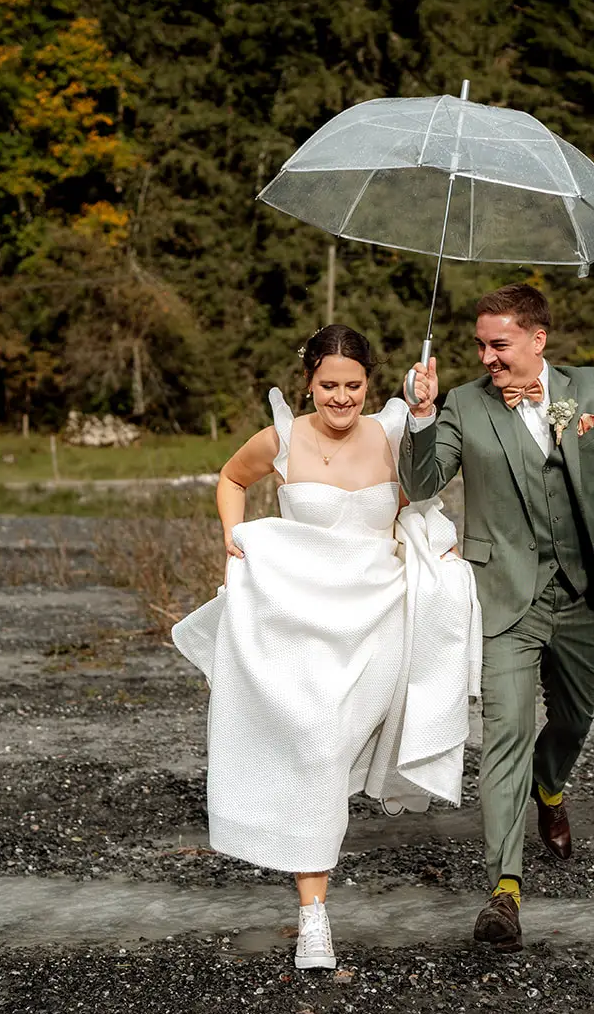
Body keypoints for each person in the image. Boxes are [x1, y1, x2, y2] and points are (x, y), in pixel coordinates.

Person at [172, 324, 479, 972]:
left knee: (332, 749)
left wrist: (422, 414)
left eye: (354, 385)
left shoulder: (392, 434)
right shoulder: (282, 439)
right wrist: (233, 534)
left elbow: (421, 496)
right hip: (299, 619)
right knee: (314, 749)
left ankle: (317, 852)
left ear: (371, 382)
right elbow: (230, 478)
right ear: (308, 380)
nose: (341, 398)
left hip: (376, 617)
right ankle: (314, 914)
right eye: (329, 385)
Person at [400, 283, 594, 953]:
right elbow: (422, 483)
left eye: (499, 344)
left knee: (575, 715)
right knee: (504, 733)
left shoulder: (593, 389)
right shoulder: (463, 405)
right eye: (480, 344)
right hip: (502, 593)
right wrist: (419, 415)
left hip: (581, 588)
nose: (487, 356)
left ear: (538, 339)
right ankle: (504, 888)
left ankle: (551, 784)